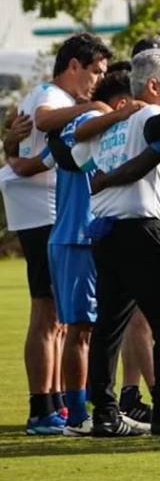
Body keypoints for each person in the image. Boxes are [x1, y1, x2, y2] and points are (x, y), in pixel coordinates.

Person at [71, 49, 160, 436]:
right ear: (153, 85)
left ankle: (105, 411)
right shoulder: (151, 116)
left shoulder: (110, 124)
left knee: (110, 323)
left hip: (105, 231)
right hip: (143, 227)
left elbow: (77, 159)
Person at [4, 33, 112, 434]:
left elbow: (24, 153)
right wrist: (99, 108)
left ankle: (53, 403)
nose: (97, 81)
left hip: (41, 204)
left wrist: (10, 149)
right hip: (41, 211)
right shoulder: (53, 95)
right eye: (94, 72)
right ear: (73, 67)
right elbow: (46, 120)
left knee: (59, 316)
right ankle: (42, 408)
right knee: (49, 312)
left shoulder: (59, 98)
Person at [42, 69, 133, 435]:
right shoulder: (90, 119)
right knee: (81, 329)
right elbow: (71, 143)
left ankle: (97, 407)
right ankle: (78, 415)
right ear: (123, 103)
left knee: (94, 328)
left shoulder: (101, 124)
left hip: (89, 235)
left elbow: (41, 162)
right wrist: (111, 112)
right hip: (77, 237)